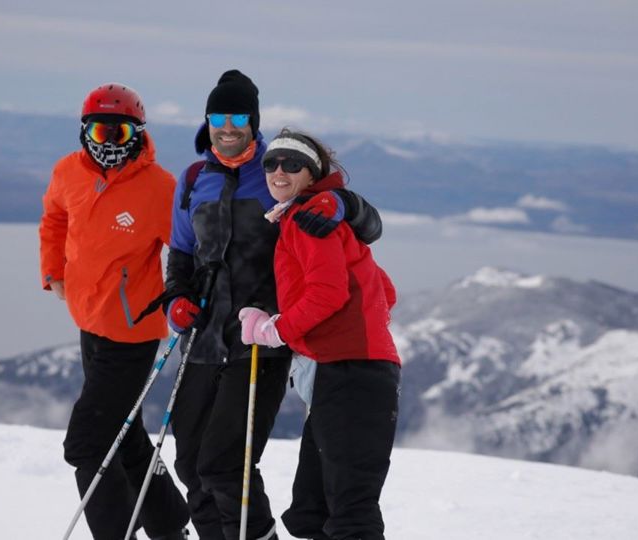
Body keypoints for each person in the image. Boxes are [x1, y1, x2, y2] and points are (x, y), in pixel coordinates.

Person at [162, 70, 384, 540]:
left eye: (238, 117)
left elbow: (365, 224)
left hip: (261, 343)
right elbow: (180, 253)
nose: (227, 126)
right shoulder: (194, 179)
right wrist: (176, 299)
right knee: (190, 464)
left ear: (253, 121)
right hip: (203, 339)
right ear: (207, 121)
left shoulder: (278, 173)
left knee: (226, 464)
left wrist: (343, 204)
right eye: (218, 117)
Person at [39, 83, 190, 540]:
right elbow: (55, 217)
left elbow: (187, 250)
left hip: (132, 333)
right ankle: (169, 525)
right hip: (88, 321)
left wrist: (187, 296)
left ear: (138, 133)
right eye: (99, 132)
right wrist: (54, 271)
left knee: (88, 442)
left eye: (119, 132)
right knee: (125, 435)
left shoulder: (159, 187)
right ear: (84, 131)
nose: (109, 142)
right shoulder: (69, 171)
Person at [238, 129, 401, 540]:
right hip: (347, 371)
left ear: (312, 174)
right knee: (314, 510)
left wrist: (276, 329)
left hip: (350, 373)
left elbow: (328, 293)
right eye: (271, 163)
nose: (279, 171)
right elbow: (385, 291)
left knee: (350, 514)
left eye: (293, 165)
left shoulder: (308, 220)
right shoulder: (319, 216)